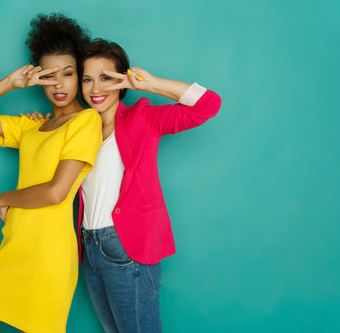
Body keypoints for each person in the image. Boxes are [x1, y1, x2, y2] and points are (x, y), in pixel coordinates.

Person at [26, 38, 221, 332]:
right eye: (88, 79)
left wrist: (151, 84)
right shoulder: (77, 127)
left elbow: (208, 105)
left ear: (122, 80)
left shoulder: (142, 118)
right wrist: (39, 124)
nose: (96, 89)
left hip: (127, 247)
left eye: (106, 78)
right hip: (89, 247)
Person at [0, 14, 102, 333]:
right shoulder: (31, 126)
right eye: (49, 76)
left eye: (69, 74)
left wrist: (7, 198)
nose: (59, 84)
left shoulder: (86, 123)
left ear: (79, 75)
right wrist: (10, 83)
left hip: (49, 258)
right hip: (12, 250)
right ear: (38, 78)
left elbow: (56, 192)